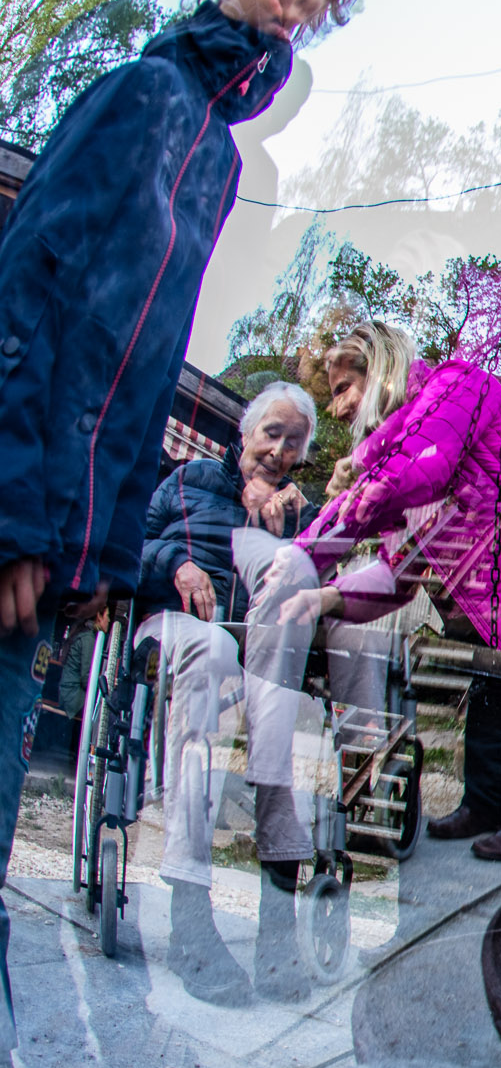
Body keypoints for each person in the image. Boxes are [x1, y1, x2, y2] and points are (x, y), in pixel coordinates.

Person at [0, 0, 380, 1068]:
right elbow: (32, 298)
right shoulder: (146, 99)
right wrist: (24, 517)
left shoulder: (210, 151)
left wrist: (99, 554)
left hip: (71, 548)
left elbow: (139, 366)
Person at [270, 322, 501, 861]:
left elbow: (410, 476)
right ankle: (486, 808)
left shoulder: (455, 388)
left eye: (344, 389)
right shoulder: (403, 447)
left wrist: (319, 533)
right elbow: (396, 570)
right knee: (489, 693)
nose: (339, 409)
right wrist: (322, 588)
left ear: (379, 369)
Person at [133, 381, 322, 1006]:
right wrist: (176, 564)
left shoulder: (298, 509)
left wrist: (302, 530)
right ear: (245, 431)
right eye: (272, 433)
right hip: (180, 630)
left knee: (287, 717)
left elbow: (328, 582)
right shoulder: (187, 482)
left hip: (257, 651)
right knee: (214, 650)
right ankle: (189, 919)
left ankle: (276, 927)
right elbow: (131, 544)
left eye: (293, 443)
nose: (278, 450)